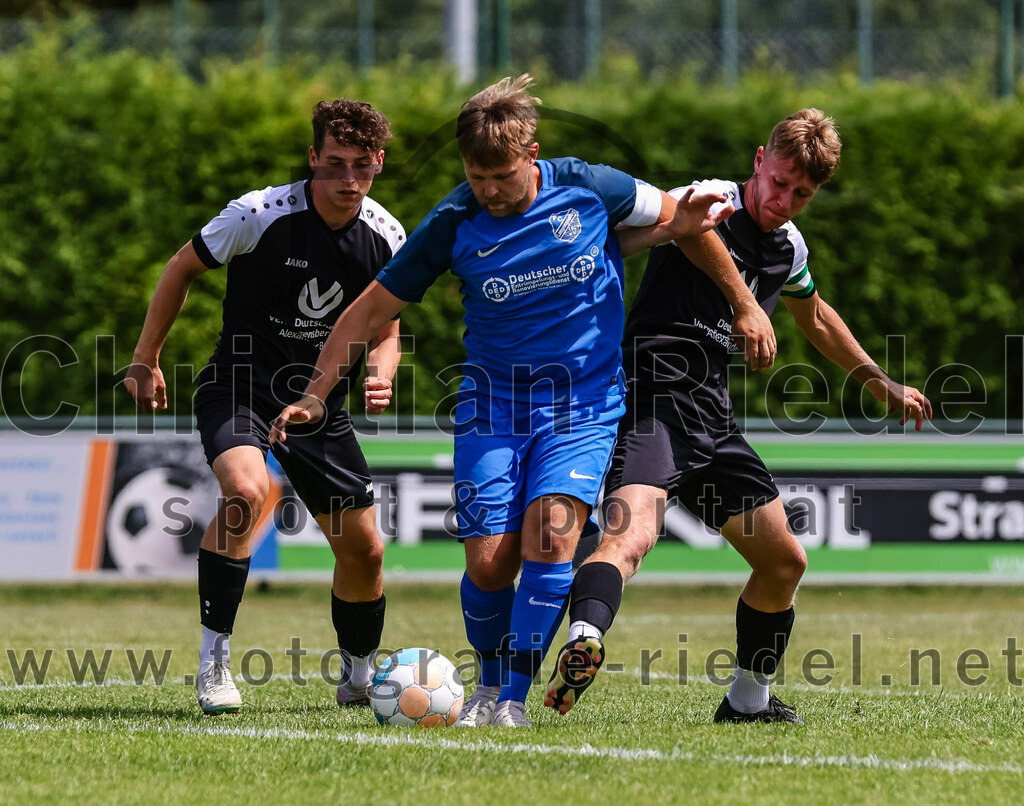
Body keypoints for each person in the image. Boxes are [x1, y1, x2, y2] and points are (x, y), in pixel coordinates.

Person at [270, 74, 774, 728]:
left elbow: (681, 219)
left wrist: (742, 304)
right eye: (477, 178)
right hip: (493, 406)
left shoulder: (592, 185)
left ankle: (510, 700)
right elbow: (369, 310)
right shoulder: (455, 220)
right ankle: (486, 683)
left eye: (502, 177)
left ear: (531, 155)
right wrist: (314, 393)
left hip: (584, 405)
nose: (490, 191)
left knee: (550, 538)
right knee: (489, 561)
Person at [545, 108, 933, 723]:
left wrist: (877, 379)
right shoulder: (711, 199)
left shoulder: (789, 246)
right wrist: (747, 303)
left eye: (802, 193)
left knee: (784, 562)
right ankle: (584, 642)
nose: (784, 199)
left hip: (712, 416)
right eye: (779, 181)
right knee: (632, 535)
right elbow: (687, 229)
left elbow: (814, 314)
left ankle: (746, 702)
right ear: (759, 160)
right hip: (654, 396)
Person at [125, 99, 405, 715]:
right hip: (240, 388)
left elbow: (386, 330)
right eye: (334, 164)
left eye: (362, 165)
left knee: (365, 551)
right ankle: (215, 661)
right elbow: (181, 268)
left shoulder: (387, 236)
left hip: (318, 407)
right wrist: (146, 358)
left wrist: (380, 375)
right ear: (312, 158)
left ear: (379, 164)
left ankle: (359, 676)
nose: (348, 180)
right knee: (246, 494)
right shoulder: (258, 214)